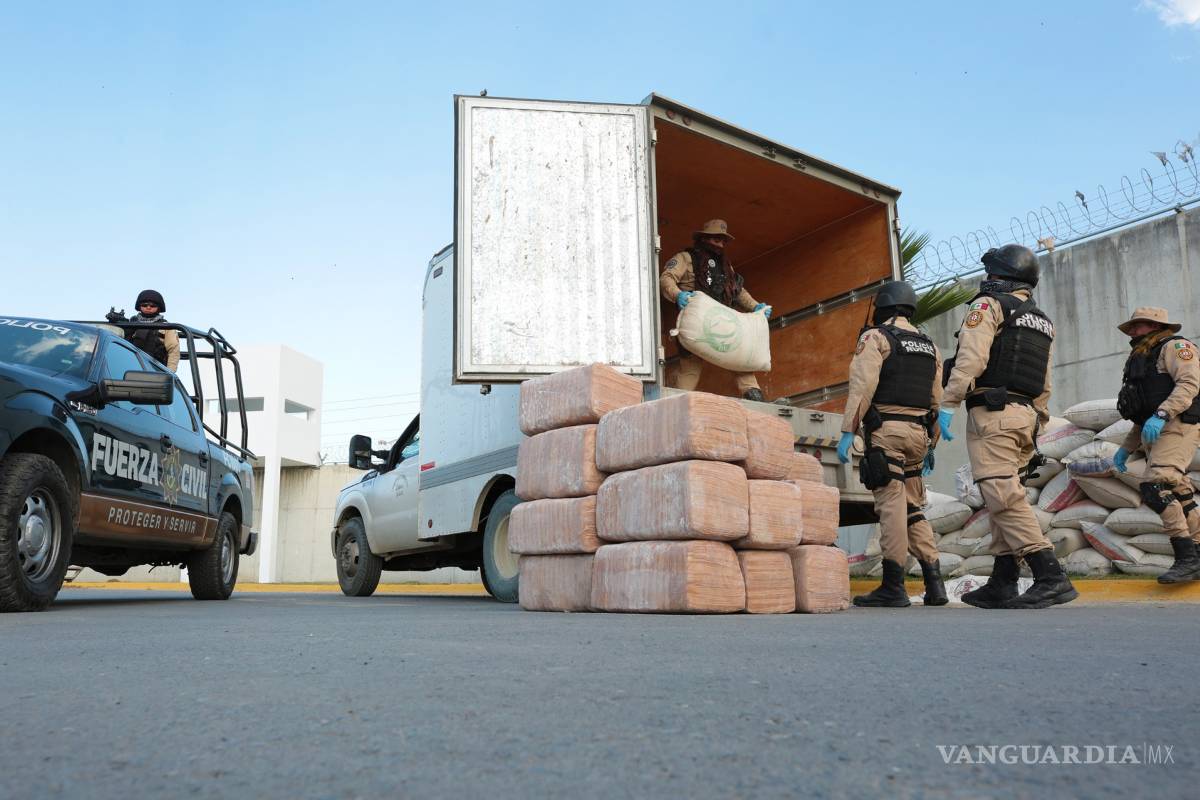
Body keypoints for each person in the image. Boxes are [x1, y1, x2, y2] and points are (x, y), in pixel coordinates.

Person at [939, 244, 1077, 609]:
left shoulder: (988, 306)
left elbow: (971, 358)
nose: (986, 281)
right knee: (1003, 494)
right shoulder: (1042, 320)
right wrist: (1039, 421)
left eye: (990, 275)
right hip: (1026, 414)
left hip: (994, 413)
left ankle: (1049, 575)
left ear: (999, 277)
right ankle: (1004, 579)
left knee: (1000, 491)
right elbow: (1044, 378)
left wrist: (949, 402)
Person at [836, 280, 947, 607]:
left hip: (888, 432)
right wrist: (932, 445)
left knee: (891, 507)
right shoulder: (930, 345)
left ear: (883, 306)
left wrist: (848, 430)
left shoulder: (876, 337)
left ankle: (893, 586)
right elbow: (935, 399)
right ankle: (935, 583)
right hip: (919, 434)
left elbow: (862, 386)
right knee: (912, 507)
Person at [1112, 307, 1200, 583]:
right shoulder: (1144, 356)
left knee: (1155, 486)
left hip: (1177, 425)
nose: (1132, 332)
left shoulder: (1175, 347)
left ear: (1152, 325)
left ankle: (1186, 558)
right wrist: (1127, 447)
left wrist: (1162, 414)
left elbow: (1189, 384)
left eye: (1137, 327)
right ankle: (1196, 549)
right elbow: (1145, 407)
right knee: (1179, 490)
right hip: (1156, 430)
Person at [659, 219, 771, 401]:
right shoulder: (685, 258)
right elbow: (666, 278)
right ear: (704, 239)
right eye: (716, 240)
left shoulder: (726, 266)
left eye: (723, 241)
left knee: (740, 360)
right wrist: (678, 295)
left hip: (722, 321)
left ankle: (754, 396)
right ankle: (676, 402)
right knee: (691, 368)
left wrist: (756, 307)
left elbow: (738, 290)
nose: (720, 244)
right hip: (695, 321)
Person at [127, 289, 180, 372]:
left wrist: (169, 373)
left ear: (159, 307)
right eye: (144, 305)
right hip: (130, 366)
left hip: (155, 369)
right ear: (139, 306)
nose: (148, 307)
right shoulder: (130, 324)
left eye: (152, 306)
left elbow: (174, 351)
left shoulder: (166, 327)